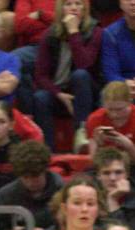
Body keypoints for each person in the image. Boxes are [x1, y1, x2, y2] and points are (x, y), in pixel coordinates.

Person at [33, 0, 101, 151]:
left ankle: (82, 133)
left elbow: (85, 64)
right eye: (68, 4)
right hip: (59, 93)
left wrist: (74, 32)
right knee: (40, 97)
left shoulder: (95, 32)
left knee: (80, 75)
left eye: (78, 4)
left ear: (85, 8)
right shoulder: (50, 35)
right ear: (61, 9)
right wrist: (59, 94)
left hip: (86, 92)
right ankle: (47, 150)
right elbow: (40, 75)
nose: (74, 8)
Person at [0, 139, 65, 230]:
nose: (30, 182)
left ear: (45, 170)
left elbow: (68, 226)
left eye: (35, 176)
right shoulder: (5, 196)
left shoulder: (61, 191)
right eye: (25, 177)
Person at [86, 80, 135, 171]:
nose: (114, 114)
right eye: (110, 109)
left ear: (130, 102)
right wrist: (99, 144)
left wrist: (129, 146)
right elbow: (94, 162)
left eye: (119, 109)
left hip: (133, 167)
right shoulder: (95, 119)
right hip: (104, 167)